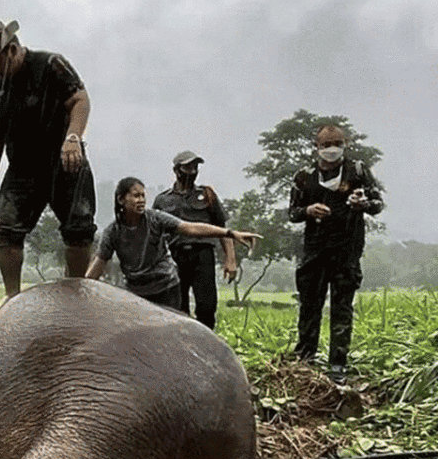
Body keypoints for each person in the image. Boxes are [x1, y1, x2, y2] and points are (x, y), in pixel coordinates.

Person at [0, 19, 96, 297]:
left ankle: (77, 290)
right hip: (23, 166)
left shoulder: (51, 65)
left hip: (65, 159)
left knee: (79, 229)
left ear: (12, 50)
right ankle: (11, 297)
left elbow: (80, 100)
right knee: (6, 229)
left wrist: (73, 137)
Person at [288, 124, 385, 384]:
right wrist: (309, 210)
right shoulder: (304, 176)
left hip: (347, 251)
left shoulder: (358, 171)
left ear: (345, 144)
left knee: (342, 308)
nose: (332, 149)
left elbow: (378, 204)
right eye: (326, 144)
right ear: (316, 147)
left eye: (337, 143)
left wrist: (362, 204)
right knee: (309, 306)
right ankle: (305, 358)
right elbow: (292, 213)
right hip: (315, 251)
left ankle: (338, 364)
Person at [87, 177, 260, 309]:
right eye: (135, 196)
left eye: (143, 196)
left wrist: (230, 233)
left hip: (166, 287)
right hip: (136, 292)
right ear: (121, 200)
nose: (141, 200)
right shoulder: (113, 232)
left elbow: (190, 228)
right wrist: (81, 288)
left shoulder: (155, 219)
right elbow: (99, 263)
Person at [152, 151, 237, 329]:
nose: (192, 171)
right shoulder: (162, 200)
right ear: (176, 170)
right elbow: (154, 234)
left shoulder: (207, 195)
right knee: (176, 308)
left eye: (195, 167)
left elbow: (222, 228)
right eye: (187, 167)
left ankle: (207, 345)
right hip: (175, 257)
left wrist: (230, 259)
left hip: (203, 255)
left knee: (207, 306)